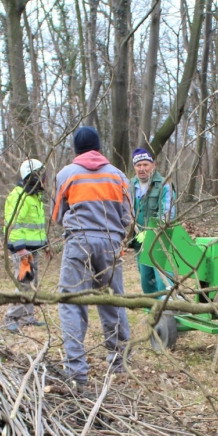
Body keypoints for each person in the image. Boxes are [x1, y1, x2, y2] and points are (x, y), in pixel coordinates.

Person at [53, 126, 133, 387]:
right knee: (113, 300)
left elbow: (57, 215)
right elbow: (128, 217)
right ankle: (119, 362)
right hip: (111, 243)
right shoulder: (118, 176)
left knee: (72, 302)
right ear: (99, 147)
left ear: (76, 150)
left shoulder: (66, 174)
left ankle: (76, 370)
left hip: (78, 243)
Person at [4, 158, 48, 332]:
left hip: (32, 249)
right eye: (40, 175)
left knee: (32, 283)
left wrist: (45, 244)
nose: (44, 178)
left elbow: (36, 226)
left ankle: (27, 317)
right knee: (24, 284)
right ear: (33, 177)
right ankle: (11, 316)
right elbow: (13, 225)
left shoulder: (34, 197)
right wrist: (21, 249)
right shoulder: (19, 196)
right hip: (22, 250)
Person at [129, 148, 175, 295]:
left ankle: (169, 307)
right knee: (146, 281)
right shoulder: (130, 185)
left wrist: (149, 234)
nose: (142, 168)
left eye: (145, 164)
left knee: (163, 281)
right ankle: (151, 308)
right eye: (138, 165)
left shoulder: (164, 184)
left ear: (153, 165)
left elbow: (167, 214)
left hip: (160, 241)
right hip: (139, 243)